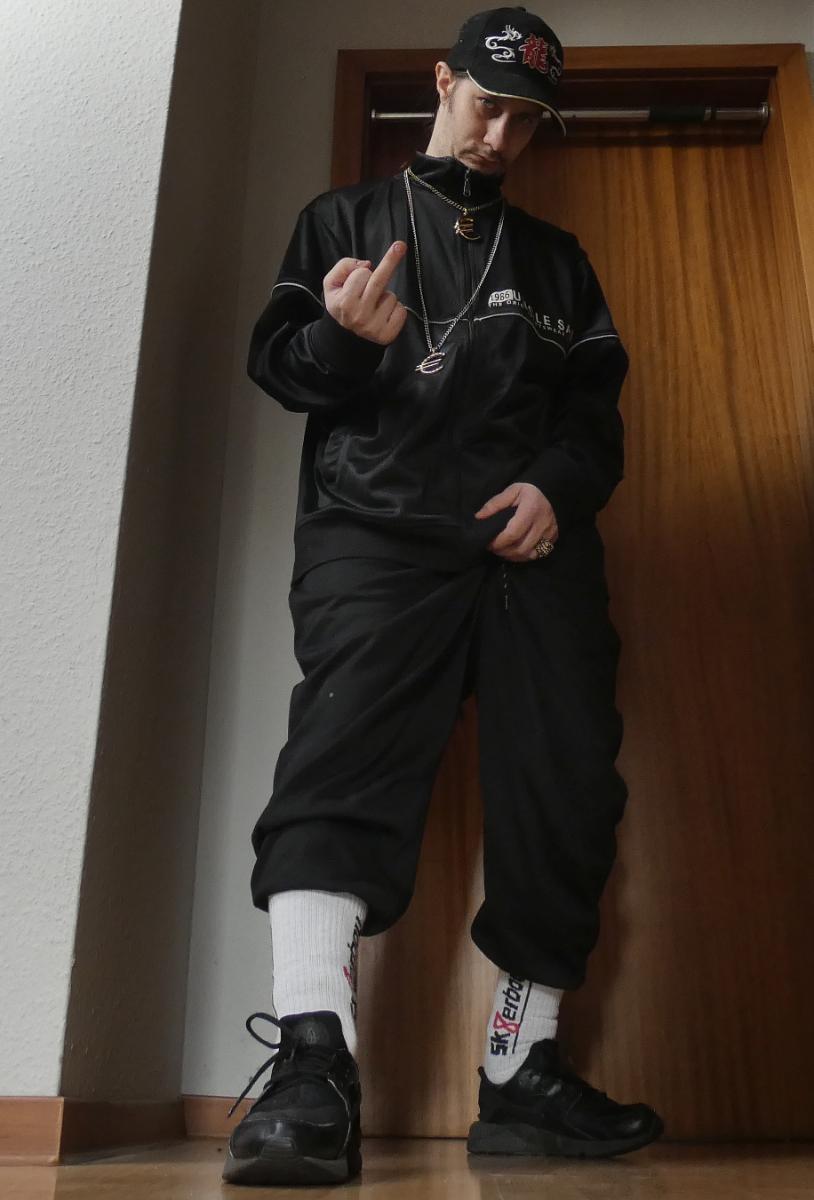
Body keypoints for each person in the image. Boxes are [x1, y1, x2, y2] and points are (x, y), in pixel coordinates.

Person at [222, 6, 665, 1187]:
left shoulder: (559, 262)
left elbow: (595, 420)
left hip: (529, 551)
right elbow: (280, 367)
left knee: (569, 787)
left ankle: (523, 1072)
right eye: (486, 103)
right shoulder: (343, 219)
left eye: (526, 121)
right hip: (375, 534)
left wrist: (555, 487)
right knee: (338, 759)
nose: (499, 135)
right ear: (442, 80)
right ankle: (312, 1066)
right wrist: (345, 341)